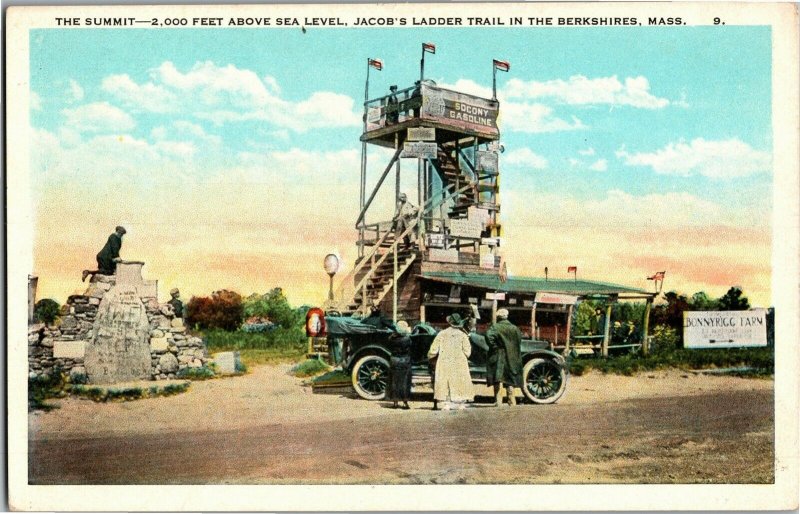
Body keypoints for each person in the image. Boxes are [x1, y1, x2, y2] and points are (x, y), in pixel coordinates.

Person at [427, 313, 473, 410]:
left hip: (445, 360)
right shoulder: (463, 335)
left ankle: (446, 403)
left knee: (445, 381)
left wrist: (430, 357)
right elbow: (467, 351)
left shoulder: (442, 334)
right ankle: (461, 403)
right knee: (460, 380)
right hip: (459, 361)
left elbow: (433, 350)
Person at [485, 308, 523, 406]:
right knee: (509, 378)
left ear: (498, 317)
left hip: (498, 355)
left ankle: (498, 401)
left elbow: (488, 337)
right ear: (507, 316)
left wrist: (495, 347)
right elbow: (519, 340)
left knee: (497, 378)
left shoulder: (495, 327)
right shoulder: (515, 328)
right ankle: (511, 400)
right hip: (511, 355)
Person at [386, 320, 413, 409]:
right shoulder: (407, 339)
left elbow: (389, 343)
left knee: (394, 381)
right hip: (405, 361)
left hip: (394, 360)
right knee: (405, 381)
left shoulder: (391, 339)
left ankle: (395, 402)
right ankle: (405, 403)